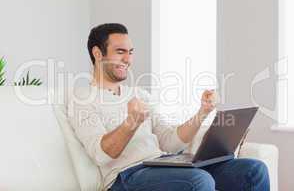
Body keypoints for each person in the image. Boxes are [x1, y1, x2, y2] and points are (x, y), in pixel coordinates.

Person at [68, 23, 270, 191]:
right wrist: (131, 122)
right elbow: (101, 155)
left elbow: (170, 142)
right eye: (120, 52)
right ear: (97, 53)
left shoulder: (138, 94)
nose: (128, 60)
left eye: (130, 52)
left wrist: (203, 112)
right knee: (199, 180)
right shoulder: (82, 98)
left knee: (253, 169)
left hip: (162, 163)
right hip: (126, 177)